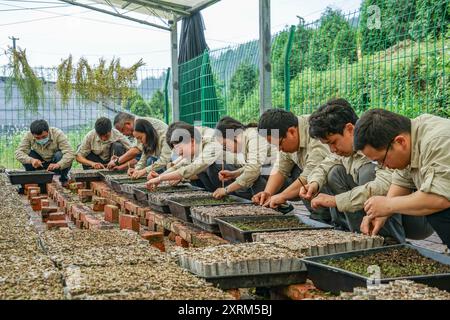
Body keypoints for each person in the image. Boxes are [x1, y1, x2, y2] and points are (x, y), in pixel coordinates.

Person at [301, 99, 431, 243]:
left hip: (418, 216)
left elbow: (383, 186)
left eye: (333, 142)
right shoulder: (344, 150)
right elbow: (325, 164)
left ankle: (388, 241)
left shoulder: (375, 139)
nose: (332, 149)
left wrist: (336, 201)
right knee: (334, 173)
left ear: (350, 129)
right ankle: (361, 237)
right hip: (391, 208)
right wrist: (314, 183)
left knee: (368, 173)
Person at [353, 109, 450, 248]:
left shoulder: (439, 141)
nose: (384, 167)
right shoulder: (411, 137)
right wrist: (382, 214)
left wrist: (388, 205)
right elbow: (401, 181)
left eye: (381, 160)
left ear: (400, 142)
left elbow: (440, 198)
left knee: (435, 208)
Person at [252, 109, 331, 222]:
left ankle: (326, 219)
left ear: (292, 132)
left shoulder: (315, 133)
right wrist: (268, 193)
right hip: (313, 176)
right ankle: (318, 215)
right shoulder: (287, 133)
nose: (279, 149)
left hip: (335, 179)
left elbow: (311, 173)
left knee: (314, 174)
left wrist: (282, 196)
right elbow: (281, 168)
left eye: (279, 144)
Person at [145, 121, 224, 192]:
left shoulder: (210, 140)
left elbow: (196, 166)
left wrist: (161, 178)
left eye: (182, 152)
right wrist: (161, 177)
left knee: (205, 168)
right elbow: (182, 163)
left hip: (229, 176)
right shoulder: (193, 138)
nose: (180, 155)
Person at [212, 116, 271, 200]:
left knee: (253, 177)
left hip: (286, 179)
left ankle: (271, 206)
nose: (226, 149)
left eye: (225, 145)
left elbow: (253, 170)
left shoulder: (254, 136)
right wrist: (234, 174)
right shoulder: (245, 139)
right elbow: (254, 166)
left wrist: (226, 190)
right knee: (243, 185)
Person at [15, 119, 75, 186]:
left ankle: (63, 179)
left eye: (44, 137)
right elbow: (18, 153)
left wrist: (59, 164)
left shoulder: (58, 134)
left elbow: (70, 153)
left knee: (60, 155)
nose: (41, 139)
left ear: (48, 131)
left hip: (55, 163)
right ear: (32, 134)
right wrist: (31, 160)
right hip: (39, 163)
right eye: (37, 138)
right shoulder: (28, 135)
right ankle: (35, 179)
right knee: (29, 154)